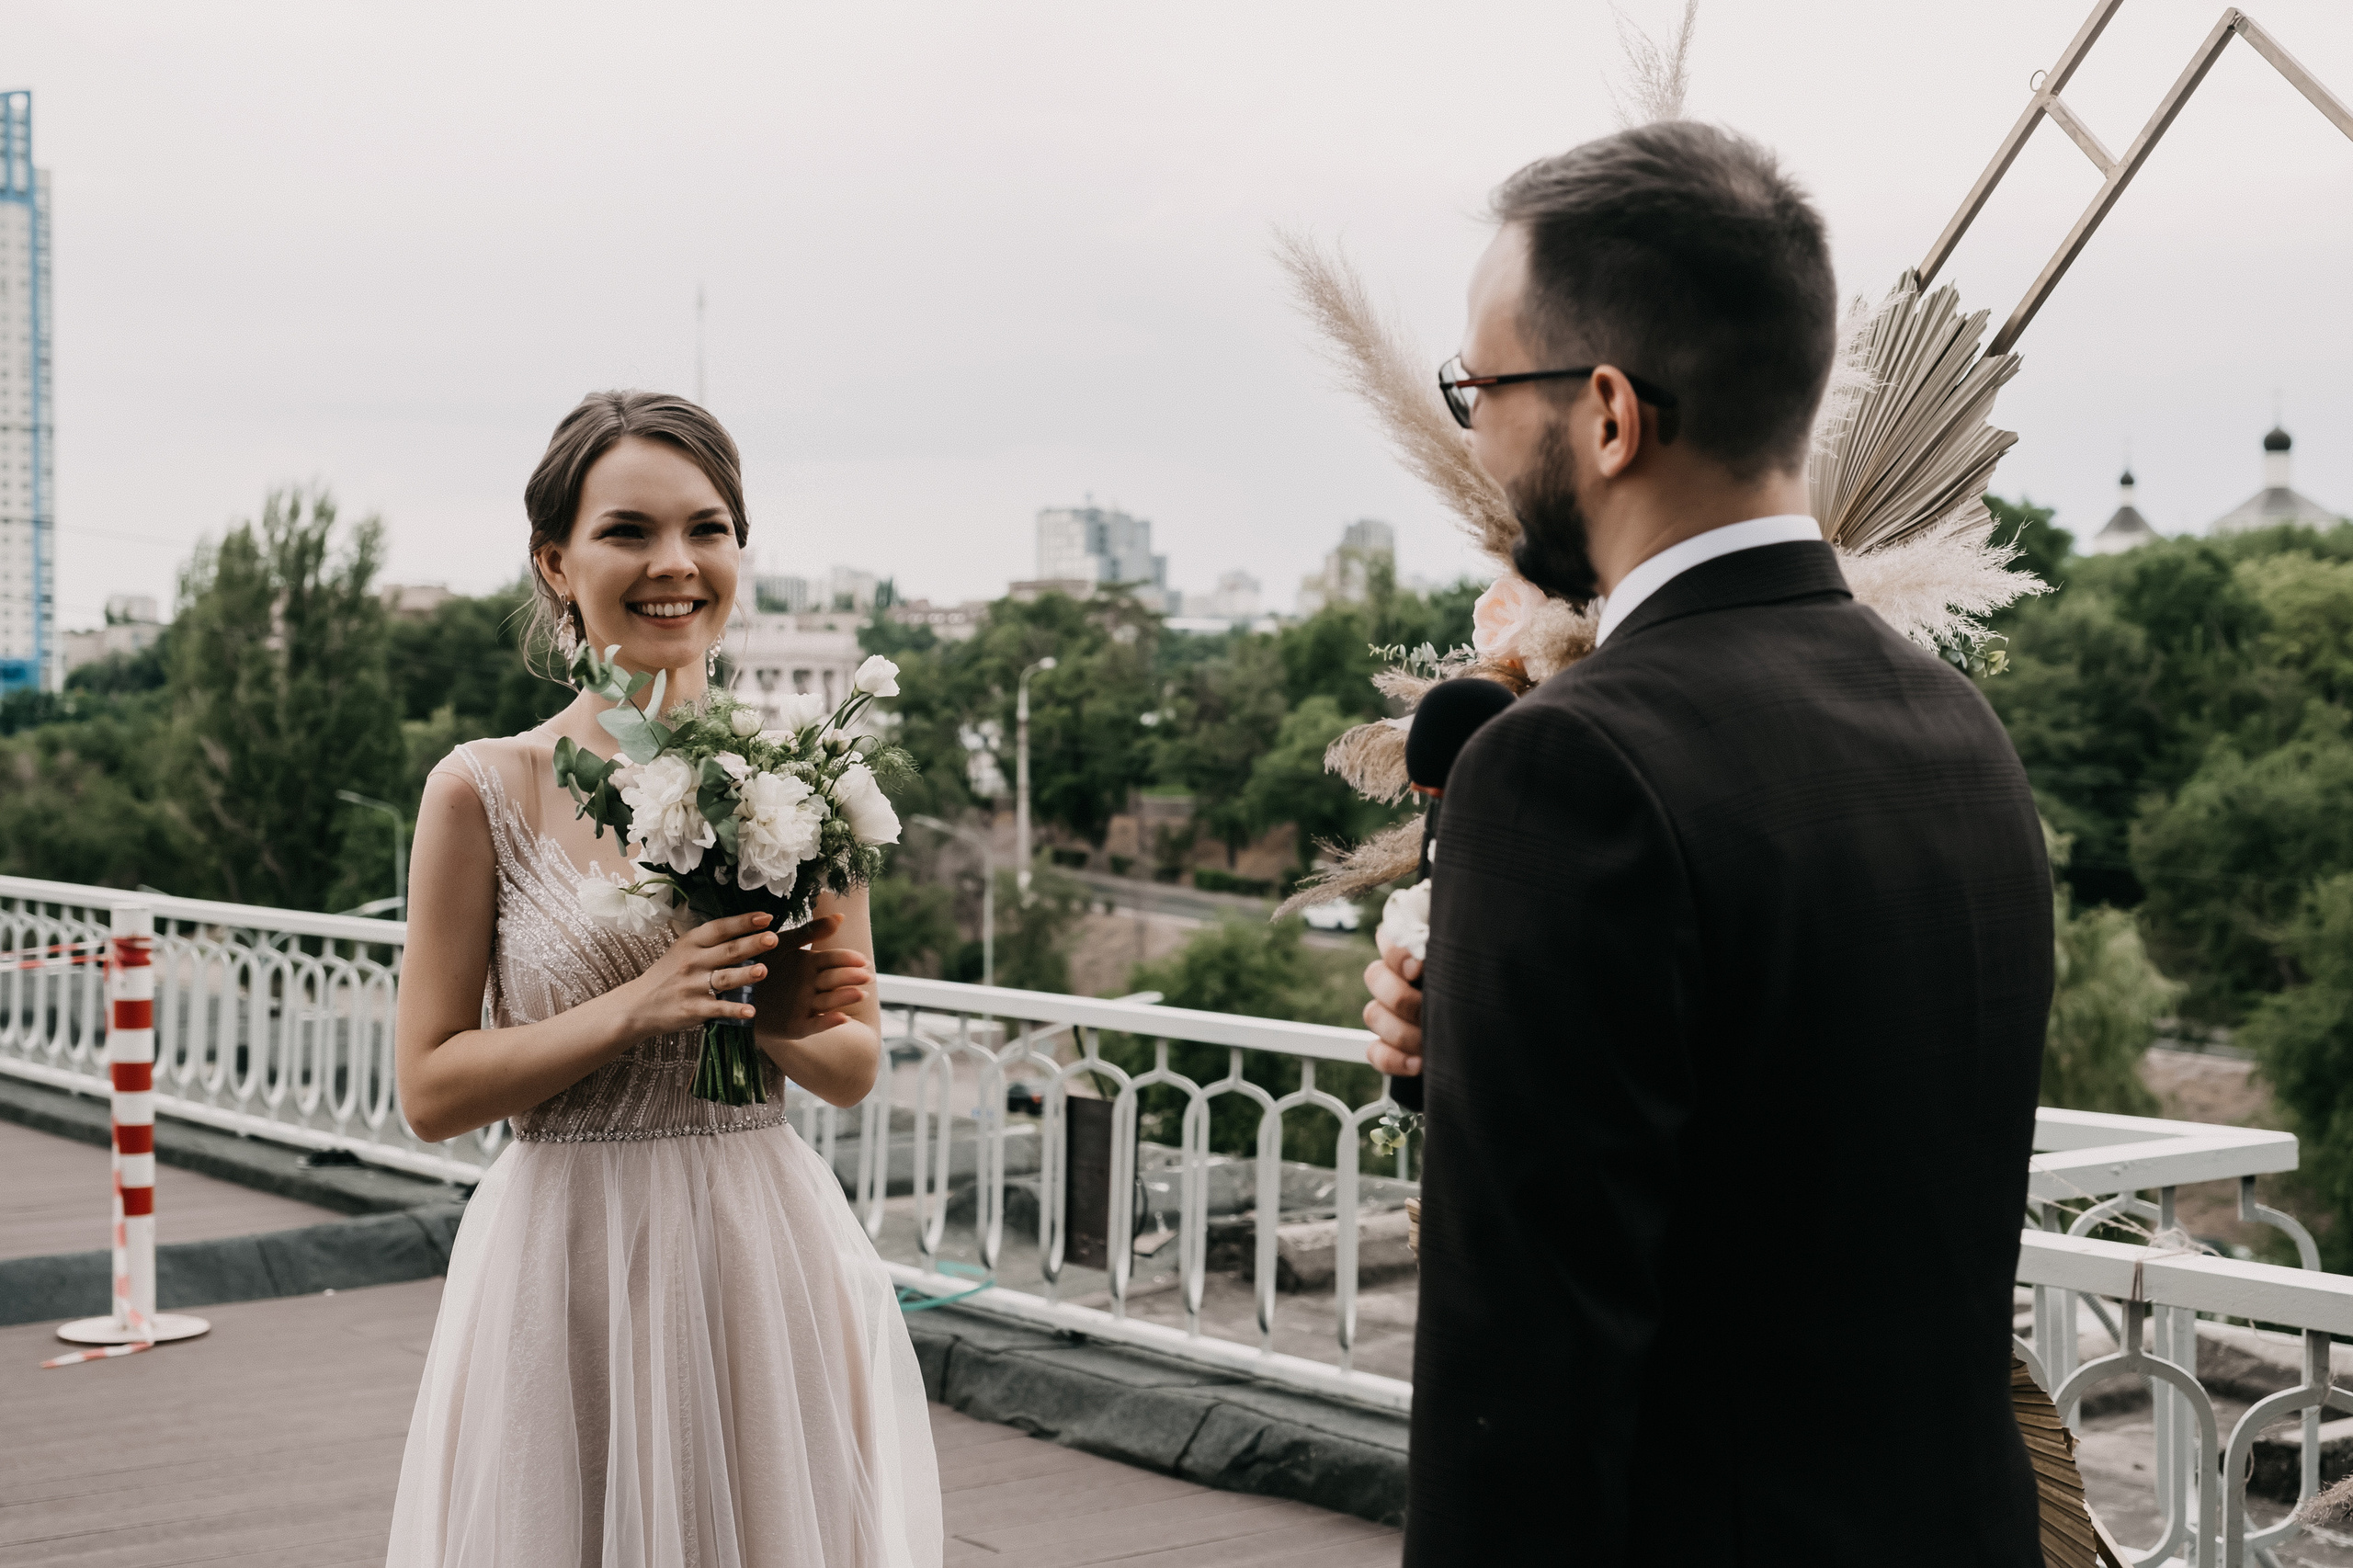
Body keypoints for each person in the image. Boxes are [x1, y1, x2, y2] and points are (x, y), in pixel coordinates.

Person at [1360, 123, 2051, 1565]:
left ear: (1609, 413)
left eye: (1483, 387)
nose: (1475, 433)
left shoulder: (1570, 766)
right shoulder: (1957, 730)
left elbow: (1528, 1366)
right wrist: (1478, 1057)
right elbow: (1810, 1147)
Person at [385, 392, 942, 1567]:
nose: (674, 564)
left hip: (757, 1248)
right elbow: (429, 1088)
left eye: (708, 529)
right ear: (557, 560)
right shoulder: (485, 788)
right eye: (629, 530)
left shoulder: (807, 778)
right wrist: (637, 1003)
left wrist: (772, 1020)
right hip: (564, 1257)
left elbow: (850, 1064)